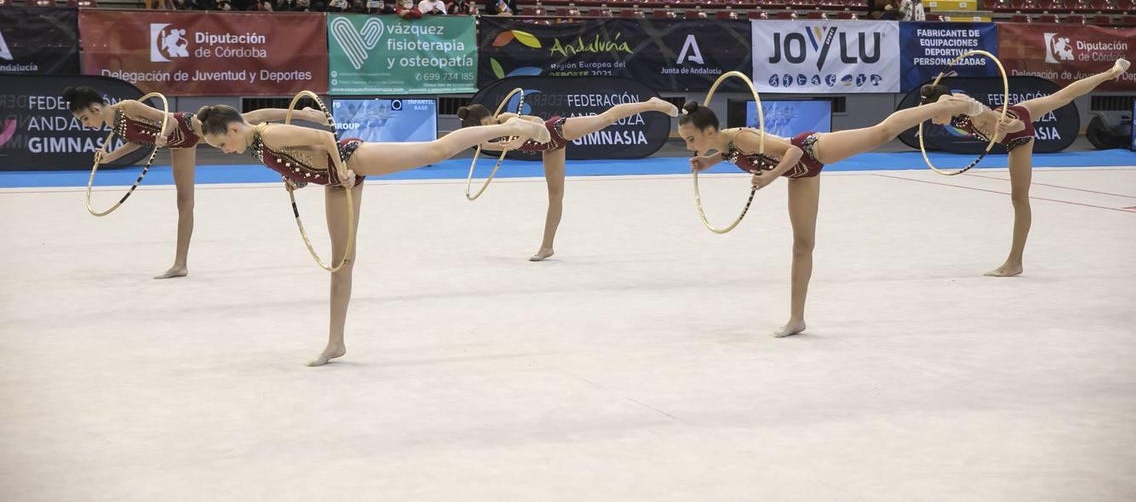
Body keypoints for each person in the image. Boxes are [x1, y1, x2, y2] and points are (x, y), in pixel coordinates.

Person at [195, 104, 550, 365]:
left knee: (436, 149)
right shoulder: (254, 138)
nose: (225, 151)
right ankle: (336, 342)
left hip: (353, 159)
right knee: (341, 263)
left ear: (232, 131)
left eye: (221, 145)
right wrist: (297, 178)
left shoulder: (269, 134)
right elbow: (297, 152)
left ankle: (509, 128)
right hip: (333, 180)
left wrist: (343, 171)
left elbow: (323, 139)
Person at [679, 93, 991, 337]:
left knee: (881, 133)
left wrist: (771, 176)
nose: (690, 146)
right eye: (686, 141)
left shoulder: (742, 136)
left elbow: (794, 152)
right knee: (802, 246)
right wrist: (709, 162)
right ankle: (796, 318)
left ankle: (943, 104)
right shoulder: (726, 143)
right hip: (800, 177)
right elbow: (730, 152)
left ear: (709, 130)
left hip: (813, 150)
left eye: (692, 139)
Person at [64, 86, 325, 279]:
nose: (86, 124)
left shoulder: (128, 107)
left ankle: (305, 114)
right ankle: (180, 264)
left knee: (249, 120)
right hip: (178, 144)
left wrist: (162, 137)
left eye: (85, 118)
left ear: (95, 109)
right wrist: (109, 156)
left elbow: (166, 119)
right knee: (184, 201)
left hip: (188, 127)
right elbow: (136, 140)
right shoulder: (115, 125)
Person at [920, 59, 1131, 278]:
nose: (933, 120)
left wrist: (1010, 127)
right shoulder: (952, 106)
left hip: (1018, 135)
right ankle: (1110, 72)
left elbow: (1015, 127)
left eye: (933, 115)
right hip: (1015, 111)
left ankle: (1014, 262)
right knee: (1061, 96)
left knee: (1019, 199)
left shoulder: (971, 111)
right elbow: (947, 99)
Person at [459, 97, 681, 261]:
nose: (485, 130)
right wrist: (490, 145)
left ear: (489, 117)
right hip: (550, 147)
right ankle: (547, 247)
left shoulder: (505, 118)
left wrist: (518, 140)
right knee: (555, 196)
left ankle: (651, 104)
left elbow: (535, 121)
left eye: (484, 126)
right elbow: (508, 145)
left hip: (557, 130)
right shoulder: (492, 132)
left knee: (605, 118)